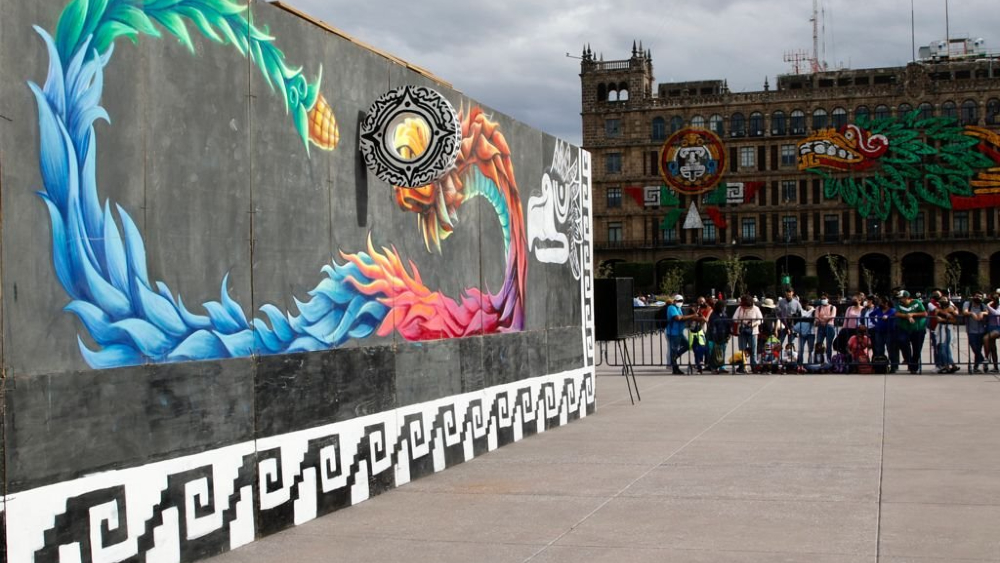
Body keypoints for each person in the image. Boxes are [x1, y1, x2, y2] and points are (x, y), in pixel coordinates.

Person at [664, 294, 700, 375]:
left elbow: (682, 318)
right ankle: (675, 368)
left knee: (687, 345)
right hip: (673, 332)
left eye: (681, 301)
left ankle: (675, 357)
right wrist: (693, 315)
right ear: (674, 301)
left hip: (679, 332)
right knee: (674, 349)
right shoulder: (671, 308)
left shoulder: (679, 308)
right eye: (679, 301)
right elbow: (678, 318)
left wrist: (693, 316)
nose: (680, 302)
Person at [894, 290, 927, 374]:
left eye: (901, 298)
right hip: (904, 328)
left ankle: (914, 368)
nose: (900, 299)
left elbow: (924, 313)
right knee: (902, 342)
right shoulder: (899, 305)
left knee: (917, 349)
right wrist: (906, 316)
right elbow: (897, 314)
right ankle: (909, 361)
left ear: (906, 297)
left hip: (918, 329)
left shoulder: (917, 302)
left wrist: (913, 314)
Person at [731, 294, 763, 373]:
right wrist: (742, 322)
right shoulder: (740, 308)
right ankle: (742, 366)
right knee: (742, 350)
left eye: (747, 306)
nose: (745, 308)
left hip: (753, 332)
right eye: (744, 306)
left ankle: (754, 366)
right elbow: (734, 318)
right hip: (742, 331)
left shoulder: (756, 309)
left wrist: (753, 324)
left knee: (753, 350)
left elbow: (761, 320)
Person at [929, 293, 960, 373]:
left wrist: (943, 319)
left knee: (944, 347)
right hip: (940, 328)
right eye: (941, 300)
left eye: (945, 299)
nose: (943, 301)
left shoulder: (951, 308)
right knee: (942, 347)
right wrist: (941, 315)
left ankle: (951, 364)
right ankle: (948, 366)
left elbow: (954, 320)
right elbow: (936, 317)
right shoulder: (938, 309)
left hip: (948, 328)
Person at [869, 297, 898, 373]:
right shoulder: (878, 310)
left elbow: (893, 314)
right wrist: (875, 323)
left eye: (881, 302)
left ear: (886, 303)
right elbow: (871, 315)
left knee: (890, 350)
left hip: (889, 332)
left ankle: (893, 366)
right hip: (879, 332)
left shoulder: (892, 310)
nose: (880, 304)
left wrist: (888, 316)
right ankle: (881, 366)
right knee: (879, 349)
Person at [962, 291, 989, 373]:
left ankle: (976, 367)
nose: (978, 298)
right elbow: (965, 311)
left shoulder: (982, 305)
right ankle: (984, 360)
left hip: (981, 330)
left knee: (979, 349)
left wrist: (982, 313)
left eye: (980, 297)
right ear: (973, 297)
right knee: (974, 348)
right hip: (971, 330)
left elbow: (987, 312)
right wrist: (971, 313)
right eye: (977, 296)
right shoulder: (968, 304)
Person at [707, 300, 731, 374]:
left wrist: (729, 334)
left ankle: (722, 367)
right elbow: (712, 327)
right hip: (713, 338)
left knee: (722, 352)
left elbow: (728, 325)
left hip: (723, 337)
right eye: (723, 306)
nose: (724, 308)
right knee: (713, 353)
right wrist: (715, 338)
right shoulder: (713, 315)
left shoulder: (724, 314)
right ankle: (714, 368)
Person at [814, 294, 837, 362]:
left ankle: (828, 360)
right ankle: (818, 360)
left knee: (828, 345)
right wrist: (822, 320)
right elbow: (816, 317)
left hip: (829, 326)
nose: (823, 300)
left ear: (828, 299)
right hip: (821, 326)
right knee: (819, 344)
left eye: (824, 298)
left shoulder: (832, 307)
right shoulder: (818, 308)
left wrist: (825, 319)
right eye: (822, 298)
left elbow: (833, 316)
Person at [794, 300, 816, 364]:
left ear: (808, 303)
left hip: (811, 333)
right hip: (802, 333)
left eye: (805, 303)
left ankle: (810, 363)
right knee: (800, 349)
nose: (804, 305)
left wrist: (803, 319)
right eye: (802, 304)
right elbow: (797, 320)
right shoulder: (800, 311)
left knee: (810, 349)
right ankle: (800, 363)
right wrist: (807, 319)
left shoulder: (813, 311)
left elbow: (813, 320)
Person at [984, 292, 1000, 373]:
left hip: (998, 328)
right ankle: (995, 367)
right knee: (993, 348)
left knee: (986, 338)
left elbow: (997, 313)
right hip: (990, 328)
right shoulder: (988, 307)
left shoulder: (998, 306)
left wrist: (988, 306)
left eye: (991, 300)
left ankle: (986, 358)